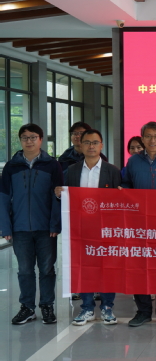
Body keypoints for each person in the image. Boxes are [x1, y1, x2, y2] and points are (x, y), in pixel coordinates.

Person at [55, 129, 121, 326]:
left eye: (95, 142)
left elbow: (120, 202)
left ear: (101, 145)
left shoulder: (112, 171)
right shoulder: (72, 170)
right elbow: (66, 197)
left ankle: (107, 307)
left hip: (106, 228)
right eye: (87, 142)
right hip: (81, 227)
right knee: (84, 267)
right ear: (81, 145)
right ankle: (87, 308)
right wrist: (59, 193)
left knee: (107, 267)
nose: (91, 146)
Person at [1, 123, 62, 325]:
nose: (29, 141)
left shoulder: (52, 165)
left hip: (45, 228)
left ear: (41, 140)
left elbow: (57, 196)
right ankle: (27, 308)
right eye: (25, 138)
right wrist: (6, 227)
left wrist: (55, 224)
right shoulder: (11, 167)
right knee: (25, 270)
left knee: (47, 269)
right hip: (20, 228)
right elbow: (3, 198)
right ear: (20, 140)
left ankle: (47, 306)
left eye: (33, 137)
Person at [122, 121, 156, 328]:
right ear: (142, 138)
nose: (152, 140)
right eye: (148, 136)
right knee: (140, 267)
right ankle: (143, 311)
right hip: (139, 223)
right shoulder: (133, 162)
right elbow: (126, 185)